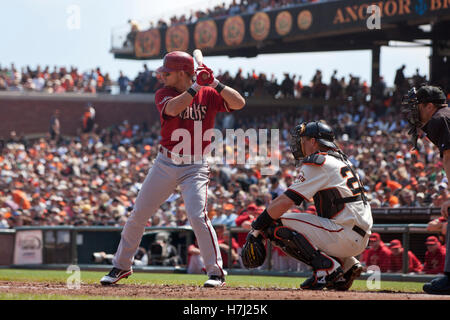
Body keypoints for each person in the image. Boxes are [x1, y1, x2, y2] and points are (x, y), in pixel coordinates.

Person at [100, 50, 245, 287]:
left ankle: (216, 273)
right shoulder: (163, 93)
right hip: (165, 162)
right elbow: (174, 109)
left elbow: (239, 103)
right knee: (139, 214)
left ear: (181, 73)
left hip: (195, 164)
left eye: (168, 72)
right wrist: (196, 87)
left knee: (197, 216)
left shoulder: (207, 92)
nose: (163, 75)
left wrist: (215, 83)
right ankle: (121, 266)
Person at [241, 121, 373, 290]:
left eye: (302, 140)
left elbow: (284, 202)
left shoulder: (320, 162)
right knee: (305, 222)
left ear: (313, 141)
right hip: (357, 234)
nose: (299, 144)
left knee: (274, 224)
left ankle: (326, 268)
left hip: (344, 234)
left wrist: (256, 227)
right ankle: (347, 266)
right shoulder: (342, 161)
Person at [402, 84, 450, 294]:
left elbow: (449, 157)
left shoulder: (439, 118)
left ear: (430, 106)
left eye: (418, 106)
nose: (415, 111)